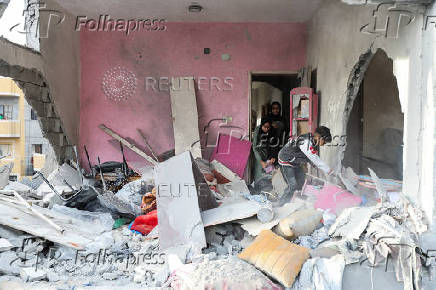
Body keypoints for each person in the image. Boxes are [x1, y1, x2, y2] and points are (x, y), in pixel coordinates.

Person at [277, 126, 333, 205]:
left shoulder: (313, 141)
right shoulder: (305, 141)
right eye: (324, 141)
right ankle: (282, 204)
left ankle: (293, 202)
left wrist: (318, 168)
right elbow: (314, 158)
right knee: (293, 185)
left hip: (295, 161)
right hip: (286, 160)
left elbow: (311, 157)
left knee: (301, 182)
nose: (324, 144)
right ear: (318, 137)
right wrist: (328, 170)